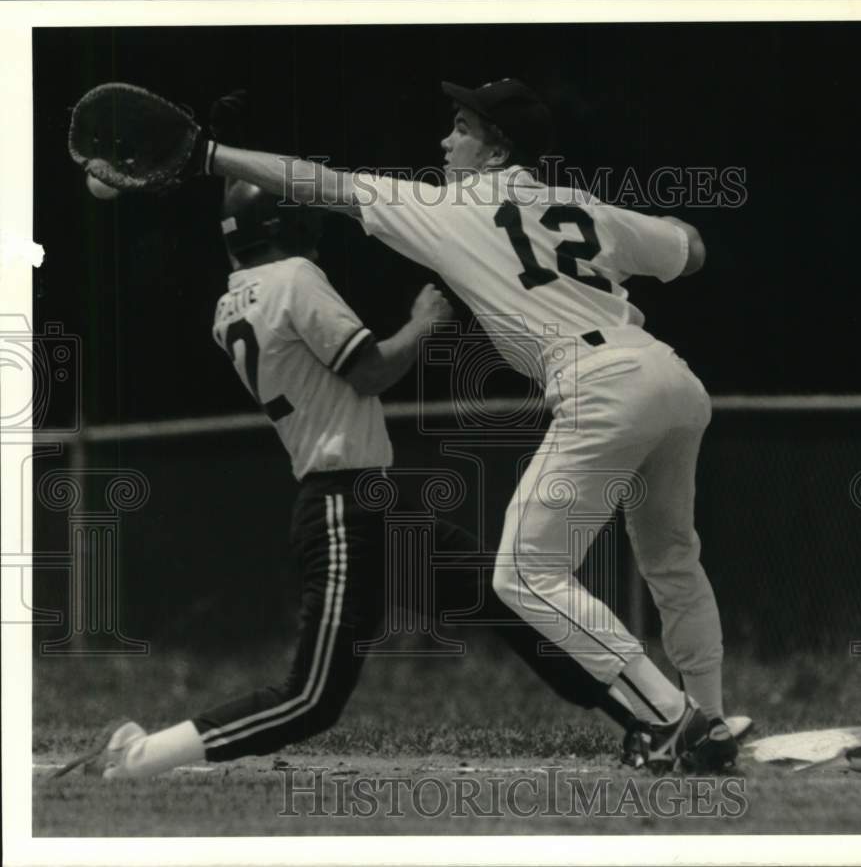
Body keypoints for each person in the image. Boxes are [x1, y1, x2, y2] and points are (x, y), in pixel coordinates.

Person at [201, 77, 741, 773]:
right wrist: (615, 229)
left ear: (495, 150)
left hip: (601, 385)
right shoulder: (579, 206)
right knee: (673, 558)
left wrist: (213, 154)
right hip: (672, 376)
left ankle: (675, 720)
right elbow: (690, 249)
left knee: (521, 575)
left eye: (460, 127)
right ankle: (713, 720)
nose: (444, 140)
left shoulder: (449, 210)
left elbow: (316, 183)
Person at [53, 179, 635, 780]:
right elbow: (370, 372)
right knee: (310, 699)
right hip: (342, 506)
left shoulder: (229, 303)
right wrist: (422, 322)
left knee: (507, 600)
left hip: (366, 499)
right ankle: (139, 755)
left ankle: (650, 723)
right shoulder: (295, 276)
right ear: (284, 228)